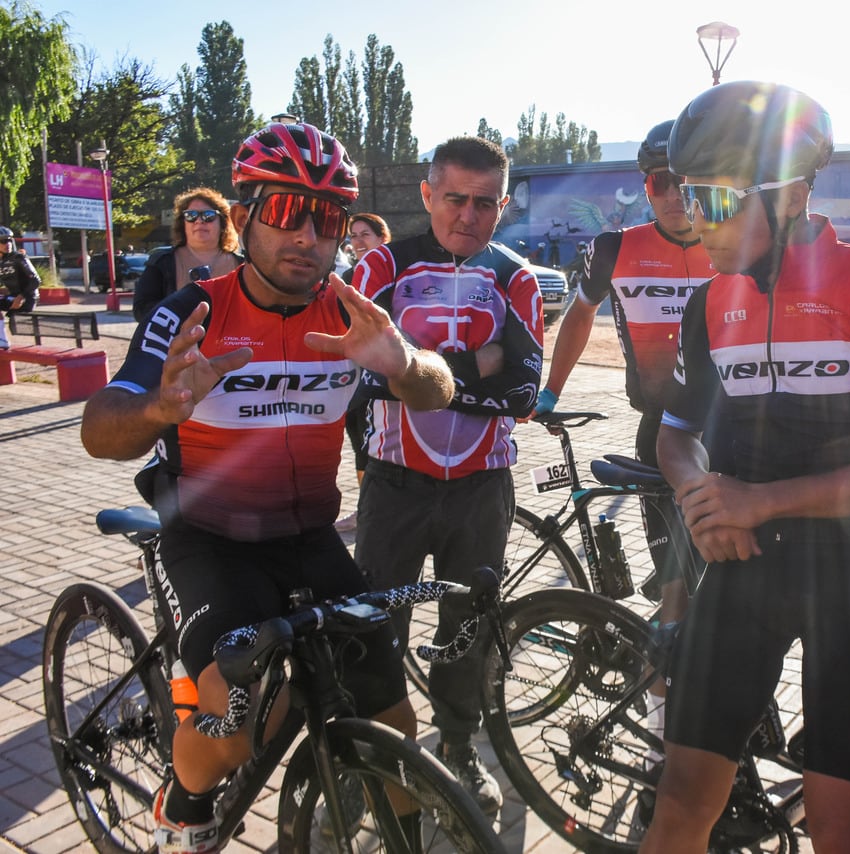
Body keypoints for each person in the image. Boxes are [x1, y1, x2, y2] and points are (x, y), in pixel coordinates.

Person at [79, 119, 454, 854]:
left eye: (327, 218)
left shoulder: (349, 312)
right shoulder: (193, 311)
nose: (306, 236)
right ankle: (185, 799)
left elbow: (438, 388)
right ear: (244, 218)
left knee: (393, 719)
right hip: (209, 539)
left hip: (309, 539)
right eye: (285, 212)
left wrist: (403, 363)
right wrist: (158, 408)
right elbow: (99, 429)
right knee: (232, 718)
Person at [644, 81, 850, 854]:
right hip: (744, 566)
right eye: (684, 196)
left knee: (843, 833)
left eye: (712, 199)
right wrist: (701, 500)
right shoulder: (708, 302)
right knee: (678, 808)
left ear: (792, 193)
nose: (689, 219)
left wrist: (763, 501)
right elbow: (672, 438)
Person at [350, 135, 543, 814]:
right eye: (455, 198)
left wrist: (422, 370)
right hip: (396, 480)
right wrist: (478, 363)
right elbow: (359, 377)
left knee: (468, 626)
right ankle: (366, 759)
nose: (468, 214)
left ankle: (458, 744)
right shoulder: (381, 266)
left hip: (482, 487)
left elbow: (523, 391)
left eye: (485, 202)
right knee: (374, 629)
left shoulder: (515, 275)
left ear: (503, 204)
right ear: (428, 194)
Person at [535, 118, 716, 620]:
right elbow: (579, 314)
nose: (675, 195)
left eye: (686, 182)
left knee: (724, 582)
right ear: (645, 187)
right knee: (679, 600)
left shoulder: (730, 246)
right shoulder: (615, 248)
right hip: (661, 429)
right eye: (662, 182)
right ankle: (658, 689)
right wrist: (551, 391)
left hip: (730, 429)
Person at [335, 212, 392, 534]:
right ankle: (365, 509)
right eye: (353, 236)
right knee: (359, 440)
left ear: (383, 238)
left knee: (383, 443)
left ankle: (385, 510)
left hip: (390, 375)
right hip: (353, 376)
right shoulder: (350, 277)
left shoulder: (398, 272)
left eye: (365, 234)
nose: (357, 241)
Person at [132, 187, 240, 323]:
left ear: (223, 222)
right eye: (191, 215)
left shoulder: (244, 264)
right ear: (182, 223)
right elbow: (141, 310)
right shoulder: (162, 262)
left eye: (208, 215)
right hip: (177, 342)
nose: (199, 221)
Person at [0, 226, 40, 350]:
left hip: (27, 298)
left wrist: (21, 296)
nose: (8, 243)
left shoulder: (18, 258)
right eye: (3, 241)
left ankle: (2, 340)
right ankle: (2, 339)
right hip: (14, 297)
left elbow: (35, 281)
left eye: (9, 240)